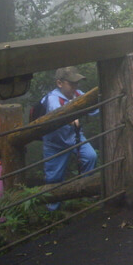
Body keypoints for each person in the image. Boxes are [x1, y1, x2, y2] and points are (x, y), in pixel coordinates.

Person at [41, 67, 98, 210]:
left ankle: (86, 191)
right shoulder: (53, 98)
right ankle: (53, 211)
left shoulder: (77, 94)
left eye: (76, 83)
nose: (75, 86)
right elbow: (57, 112)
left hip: (74, 137)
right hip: (54, 143)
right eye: (71, 83)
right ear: (60, 83)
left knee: (90, 156)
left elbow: (93, 106)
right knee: (54, 177)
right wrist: (72, 119)